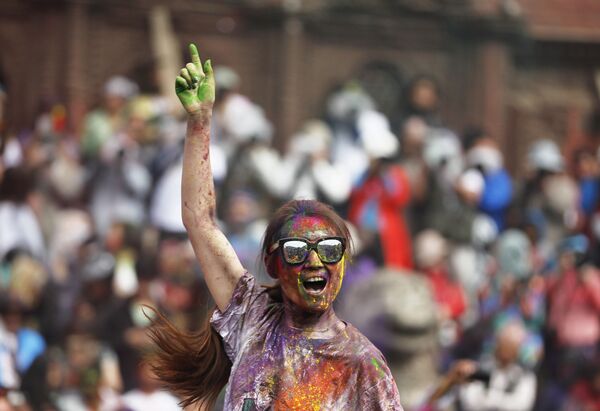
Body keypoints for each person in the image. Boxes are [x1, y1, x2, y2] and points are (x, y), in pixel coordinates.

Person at [148, 44, 403, 410]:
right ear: (272, 264)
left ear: (344, 262)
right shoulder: (253, 319)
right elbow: (199, 221)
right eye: (297, 251)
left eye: (330, 250)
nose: (315, 262)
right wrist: (200, 122)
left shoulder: (364, 363)